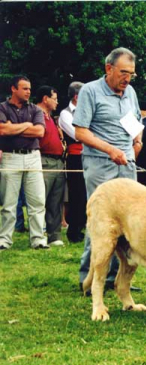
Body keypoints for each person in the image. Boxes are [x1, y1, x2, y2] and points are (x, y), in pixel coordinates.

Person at [73, 47, 142, 292]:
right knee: (102, 222)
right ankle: (89, 279)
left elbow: (135, 123)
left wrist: (137, 142)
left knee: (130, 223)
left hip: (127, 164)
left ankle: (119, 279)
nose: (127, 78)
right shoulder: (90, 91)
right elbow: (80, 132)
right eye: (123, 72)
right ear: (108, 68)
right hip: (100, 163)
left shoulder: (130, 92)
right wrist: (110, 150)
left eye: (131, 74)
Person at [0, 75, 48, 251]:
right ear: (13, 89)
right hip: (10, 157)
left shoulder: (35, 109)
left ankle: (38, 239)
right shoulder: (2, 108)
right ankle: (4, 240)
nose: (29, 91)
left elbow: (40, 132)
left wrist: (16, 128)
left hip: (33, 157)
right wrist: (28, 125)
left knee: (37, 201)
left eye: (29, 88)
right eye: (24, 88)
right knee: (9, 202)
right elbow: (3, 129)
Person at [37, 85, 67, 246]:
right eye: (54, 99)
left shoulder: (51, 117)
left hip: (58, 161)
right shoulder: (35, 114)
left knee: (56, 200)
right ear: (45, 99)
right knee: (41, 199)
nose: (57, 102)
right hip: (44, 160)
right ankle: (39, 233)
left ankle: (54, 235)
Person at [59, 81, 86, 243]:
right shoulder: (65, 113)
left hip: (89, 155)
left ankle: (81, 226)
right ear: (76, 97)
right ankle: (73, 230)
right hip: (76, 157)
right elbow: (77, 135)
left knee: (87, 193)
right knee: (77, 194)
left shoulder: (86, 112)